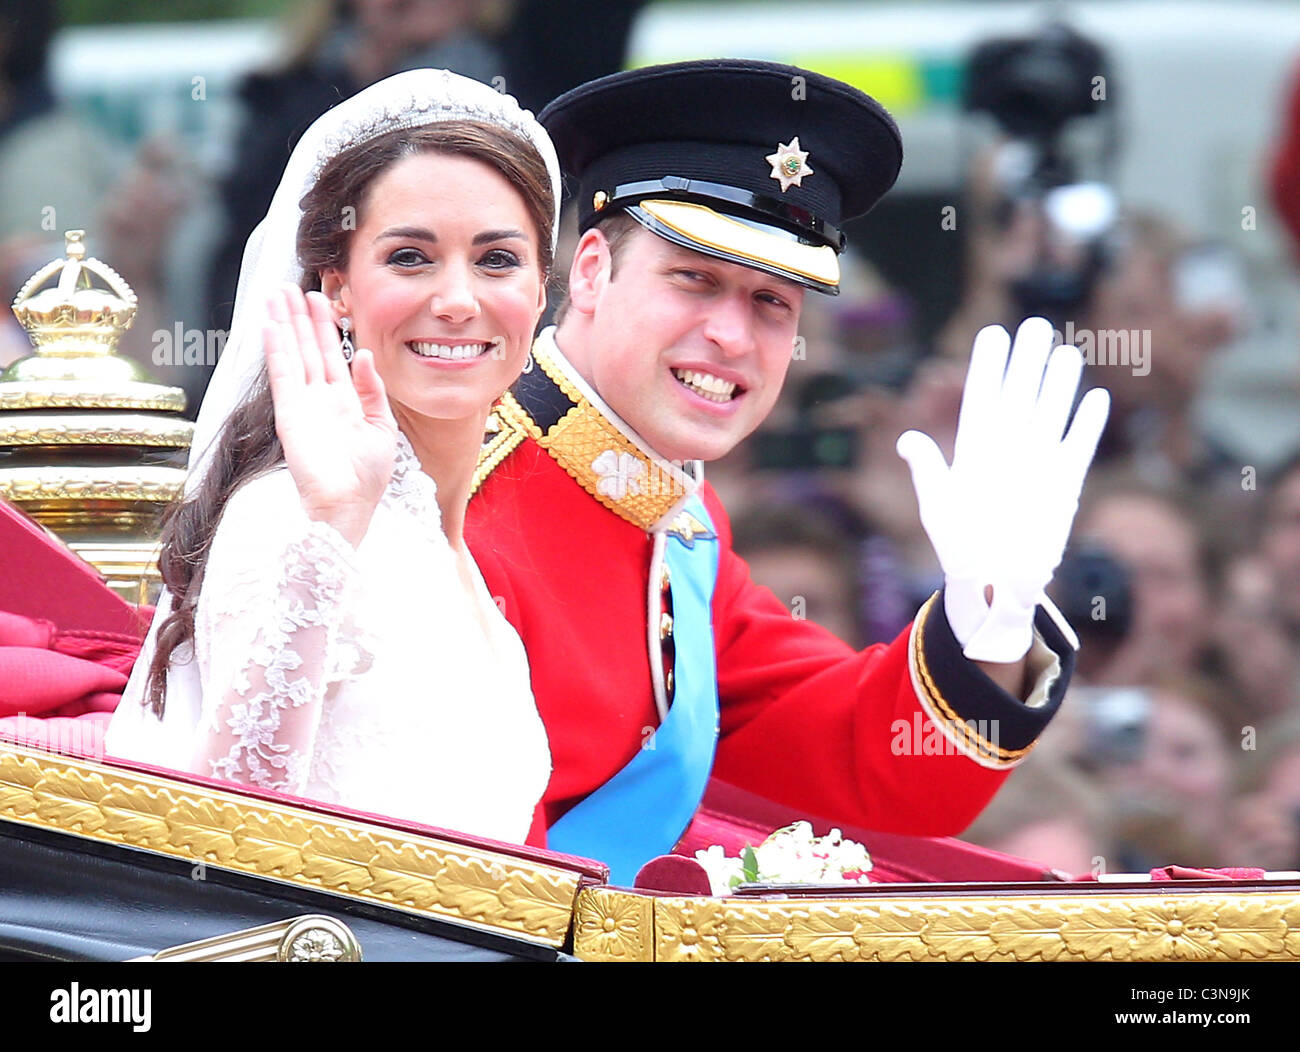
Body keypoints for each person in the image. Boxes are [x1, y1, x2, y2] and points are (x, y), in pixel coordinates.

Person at [464, 59, 1110, 881]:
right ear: (590, 270)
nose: (733, 336)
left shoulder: (677, 520)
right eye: (695, 279)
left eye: (772, 303)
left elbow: (852, 758)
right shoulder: (461, 488)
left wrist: (987, 621)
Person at [106, 69, 559, 846]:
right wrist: (330, 533)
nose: (457, 298)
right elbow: (224, 842)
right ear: (337, 288)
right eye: (411, 257)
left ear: (542, 292)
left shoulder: (456, 555)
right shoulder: (292, 517)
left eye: (497, 261)